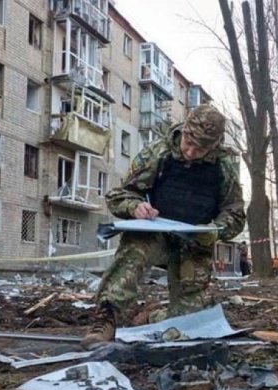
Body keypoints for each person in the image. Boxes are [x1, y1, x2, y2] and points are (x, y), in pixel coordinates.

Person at [81, 104, 246, 348]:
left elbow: (235, 213)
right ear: (184, 131)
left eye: (199, 149)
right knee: (132, 251)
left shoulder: (223, 168)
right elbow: (119, 195)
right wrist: (134, 206)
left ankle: (154, 315)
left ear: (213, 147)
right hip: (154, 235)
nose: (190, 152)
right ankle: (106, 317)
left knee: (188, 324)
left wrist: (216, 230)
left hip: (194, 244)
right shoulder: (158, 153)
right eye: (188, 142)